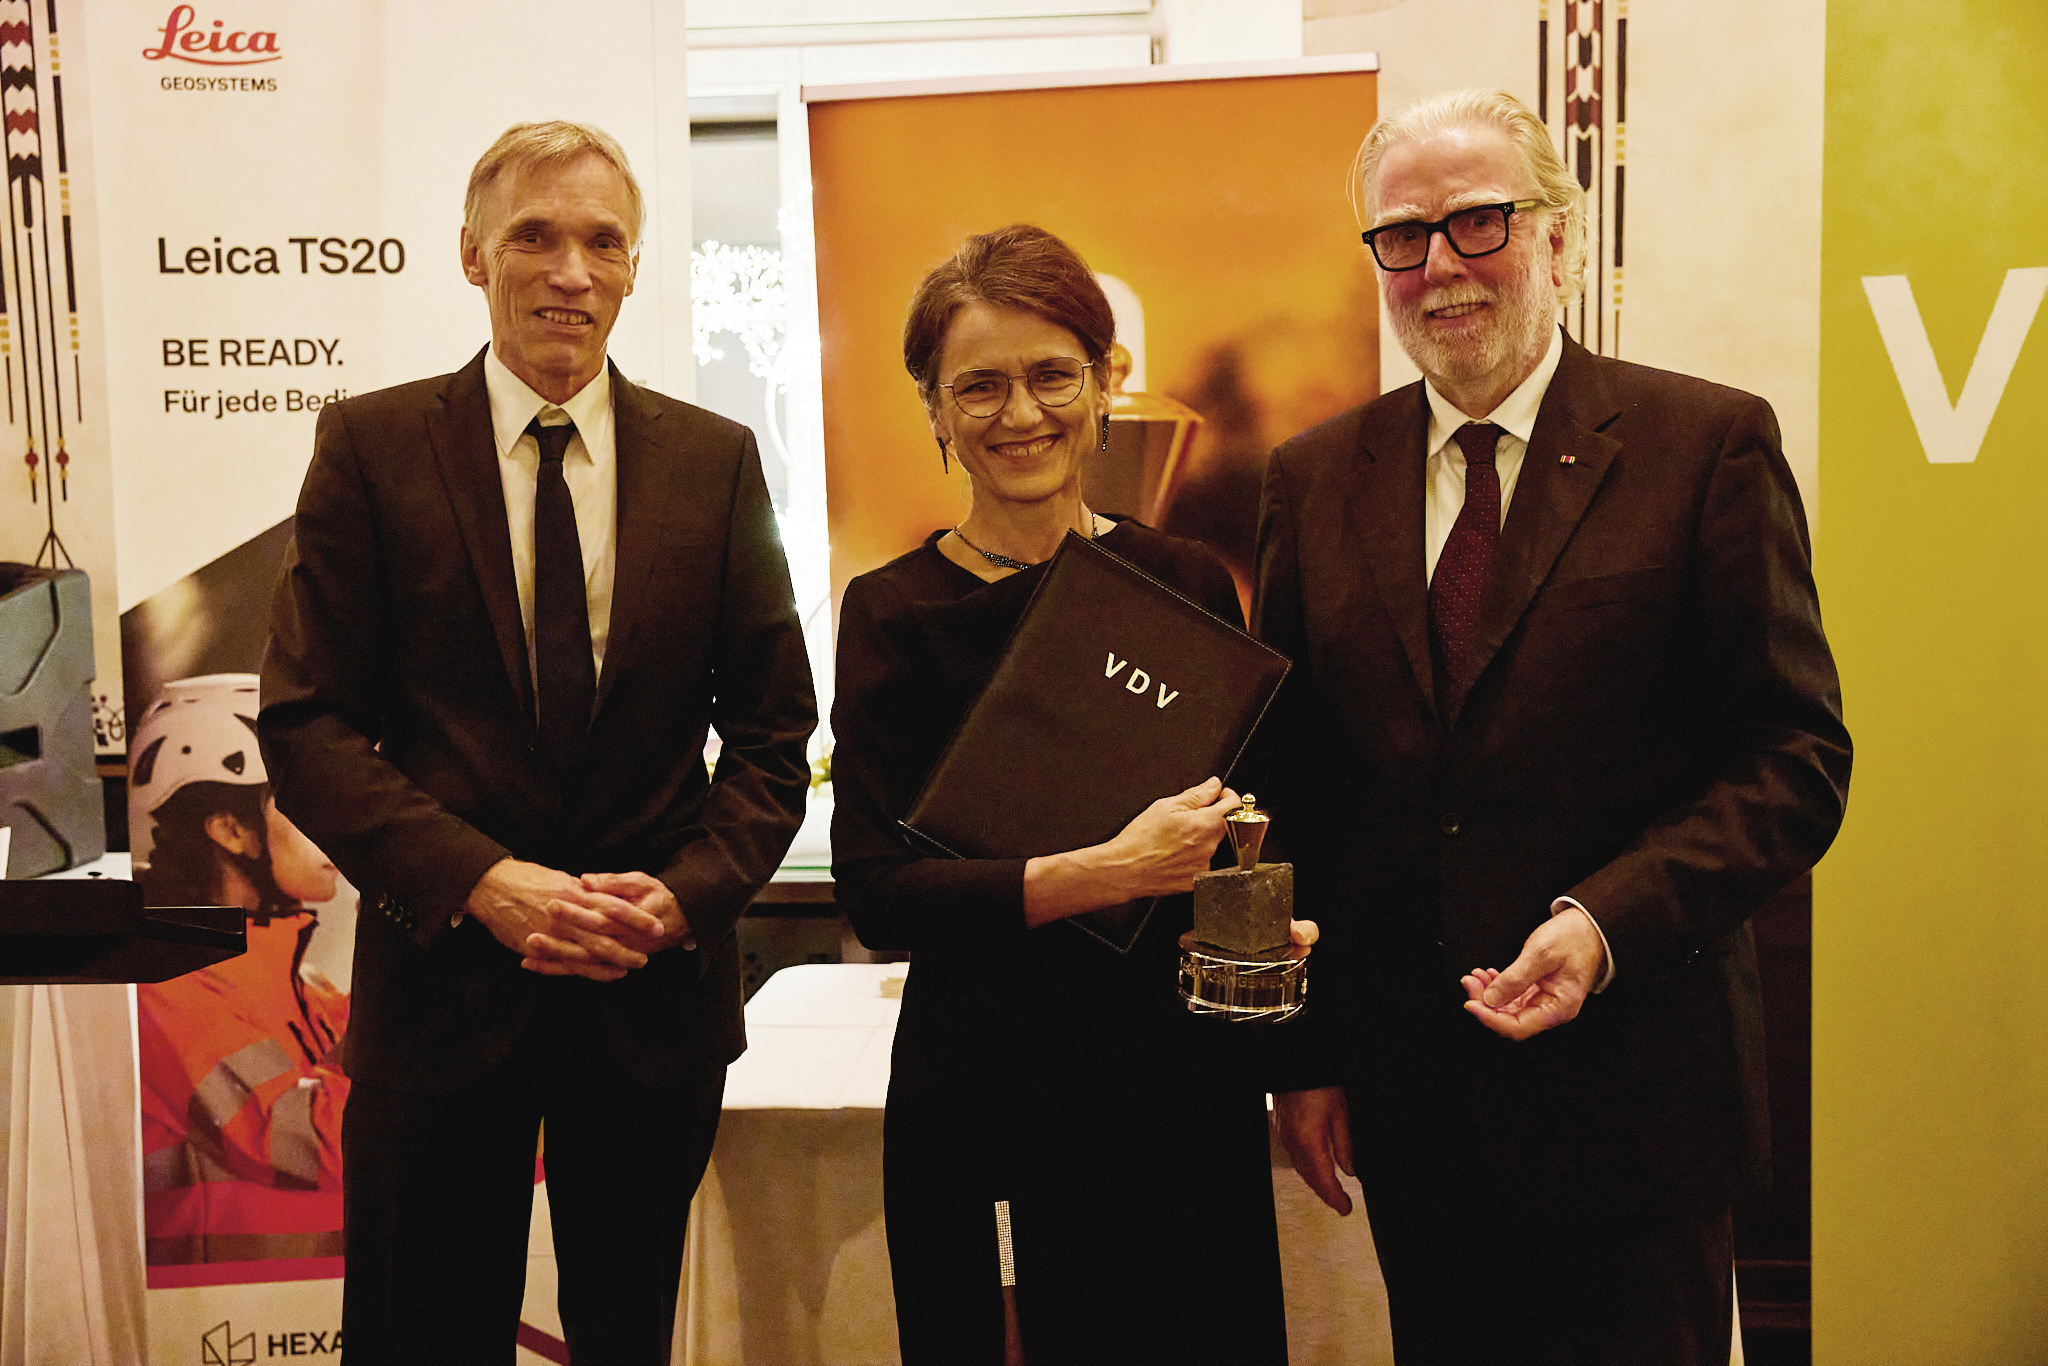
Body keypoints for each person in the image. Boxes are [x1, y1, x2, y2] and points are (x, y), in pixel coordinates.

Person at [1253, 89, 1852, 1364]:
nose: (1438, 265)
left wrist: (1600, 922)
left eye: (1477, 221)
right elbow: (1291, 790)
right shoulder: (1312, 480)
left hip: (1636, 1098)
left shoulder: (1704, 445)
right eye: (1401, 236)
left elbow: (1791, 762)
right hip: (1413, 1112)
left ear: (1560, 239)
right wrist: (1304, 1054)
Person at [259, 121, 815, 1365]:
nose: (571, 270)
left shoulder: (715, 461)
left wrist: (683, 898)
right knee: (419, 1339)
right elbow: (307, 723)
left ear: (633, 268)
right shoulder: (371, 449)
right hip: (441, 993)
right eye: (535, 237)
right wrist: (483, 882)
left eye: (602, 242)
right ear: (473, 255)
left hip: (649, 998)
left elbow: (775, 730)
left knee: (633, 1338)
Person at [832, 223, 1299, 1366]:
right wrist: (1105, 873)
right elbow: (878, 891)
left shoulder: (1184, 581)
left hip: (1175, 1083)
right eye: (978, 386)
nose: (1020, 413)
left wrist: (1263, 918)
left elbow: (1245, 814)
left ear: (1103, 384)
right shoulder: (893, 613)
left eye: (1051, 375)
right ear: (934, 409)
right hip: (987, 1086)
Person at [133, 673, 352, 1267]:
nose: (342, 825)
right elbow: (318, 1143)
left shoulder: (302, 983)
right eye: (309, 804)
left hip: (307, 1298)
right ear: (230, 829)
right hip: (224, 1310)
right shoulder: (168, 989)